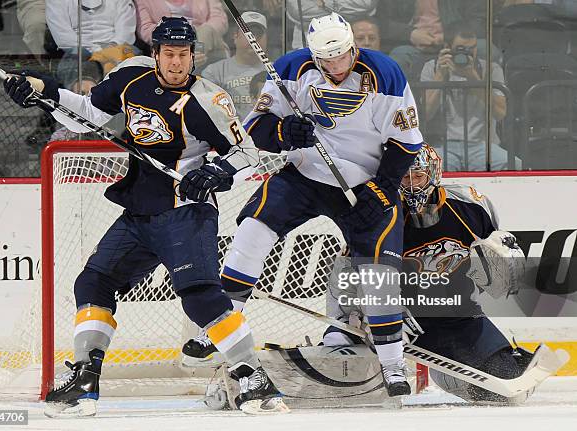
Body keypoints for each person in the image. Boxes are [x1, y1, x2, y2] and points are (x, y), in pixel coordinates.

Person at [3, 16, 288, 416]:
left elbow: (246, 153)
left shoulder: (209, 99)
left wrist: (215, 172)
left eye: (184, 54)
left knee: (200, 297)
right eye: (169, 54)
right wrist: (44, 92)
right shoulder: (130, 76)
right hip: (138, 210)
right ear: (154, 53)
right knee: (94, 282)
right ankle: (85, 378)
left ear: (194, 55)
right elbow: (88, 115)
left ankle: (254, 380)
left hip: (186, 211)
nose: (176, 63)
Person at [184, 12, 424, 397]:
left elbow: (406, 142)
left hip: (366, 184)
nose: (335, 66)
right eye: (326, 59)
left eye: (342, 56)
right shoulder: (290, 68)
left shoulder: (385, 74)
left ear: (352, 47)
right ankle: (221, 323)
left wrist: (381, 190)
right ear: (313, 55)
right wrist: (285, 132)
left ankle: (394, 365)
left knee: (378, 272)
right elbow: (257, 129)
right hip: (305, 175)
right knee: (252, 228)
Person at [323, 144, 534, 404]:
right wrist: (348, 323)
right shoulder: (378, 216)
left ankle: (449, 375)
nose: (411, 186)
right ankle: (346, 347)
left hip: (457, 313)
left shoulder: (469, 205)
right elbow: (349, 274)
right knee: (354, 338)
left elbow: (493, 251)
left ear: (433, 174)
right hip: (401, 317)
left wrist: (507, 260)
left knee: (510, 382)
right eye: (404, 177)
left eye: (418, 176)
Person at [420, 20, 518, 171]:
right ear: (447, 47)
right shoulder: (432, 68)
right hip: (444, 145)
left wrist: (474, 79)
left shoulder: (491, 69)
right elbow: (425, 115)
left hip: (484, 146)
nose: (467, 54)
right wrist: (440, 76)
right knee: (427, 168)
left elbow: (500, 113)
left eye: (472, 49)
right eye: (461, 49)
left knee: (515, 165)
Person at [46, 0, 138, 83]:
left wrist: (110, 50)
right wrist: (96, 52)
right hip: (78, 52)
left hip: (117, 48)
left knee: (137, 65)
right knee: (76, 70)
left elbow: (126, 30)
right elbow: (63, 36)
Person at [201, 11, 267, 121]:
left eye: (259, 34)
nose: (254, 38)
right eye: (249, 33)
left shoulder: (277, 71)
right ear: (235, 36)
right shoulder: (214, 72)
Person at [135, 0, 229, 68]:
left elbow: (220, 19)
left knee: (206, 31)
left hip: (206, 42)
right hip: (169, 42)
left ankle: (188, 65)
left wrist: (192, 33)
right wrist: (177, 34)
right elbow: (145, 29)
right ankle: (188, 65)